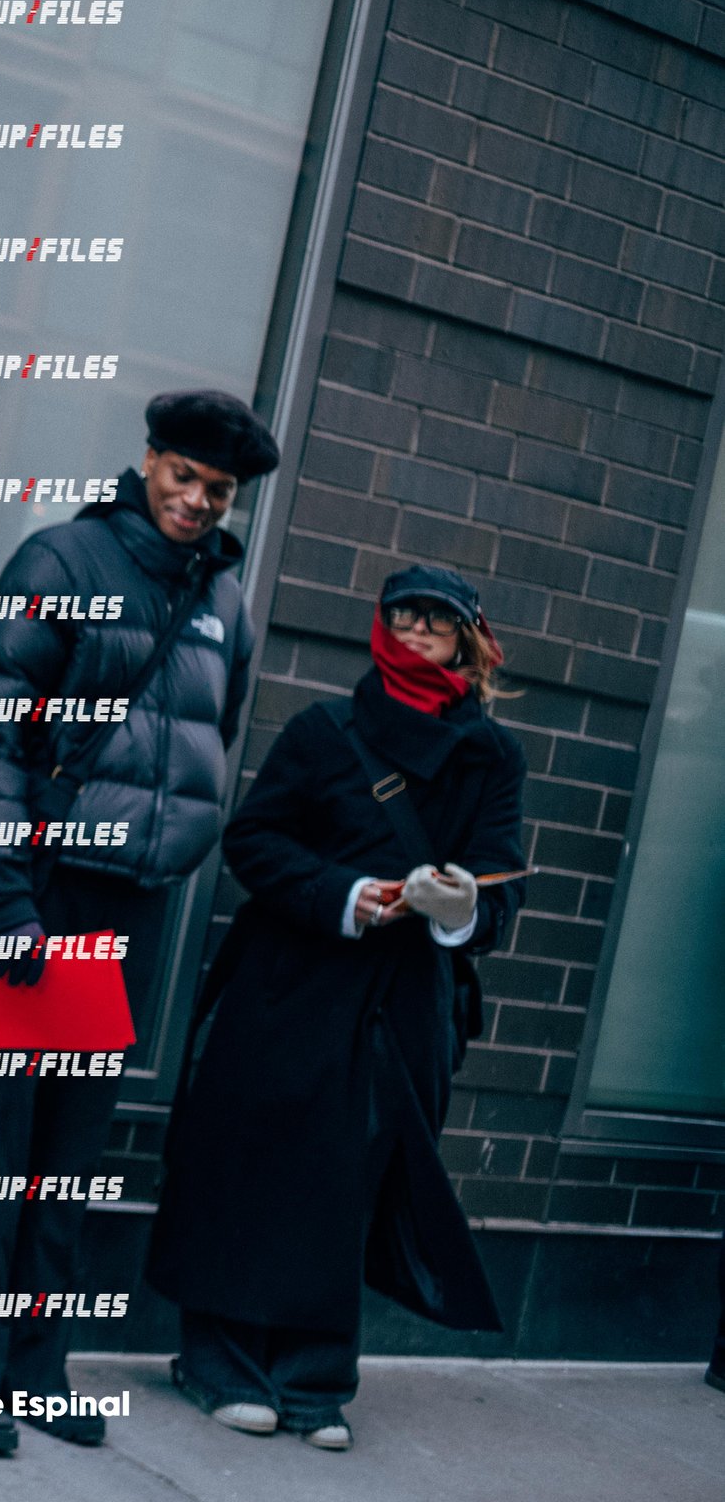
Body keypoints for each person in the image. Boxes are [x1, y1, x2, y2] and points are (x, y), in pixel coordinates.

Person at [0, 390, 280, 1457]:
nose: (197, 501)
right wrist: (4, 899)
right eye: (184, 475)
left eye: (219, 489)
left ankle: (31, 1361)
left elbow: (213, 735)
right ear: (147, 460)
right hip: (34, 884)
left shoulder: (225, 602)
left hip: (128, 901)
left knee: (70, 1147)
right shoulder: (62, 560)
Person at [147, 563, 524, 1452]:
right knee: (256, 1168)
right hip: (294, 981)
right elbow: (255, 838)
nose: (420, 629)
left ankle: (315, 1379)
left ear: (469, 637)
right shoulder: (328, 730)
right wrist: (348, 893)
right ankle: (221, 1361)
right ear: (381, 626)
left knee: (355, 1181)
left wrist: (459, 903)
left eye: (439, 618)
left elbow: (501, 880)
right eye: (406, 615)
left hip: (405, 1002)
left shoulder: (493, 754)